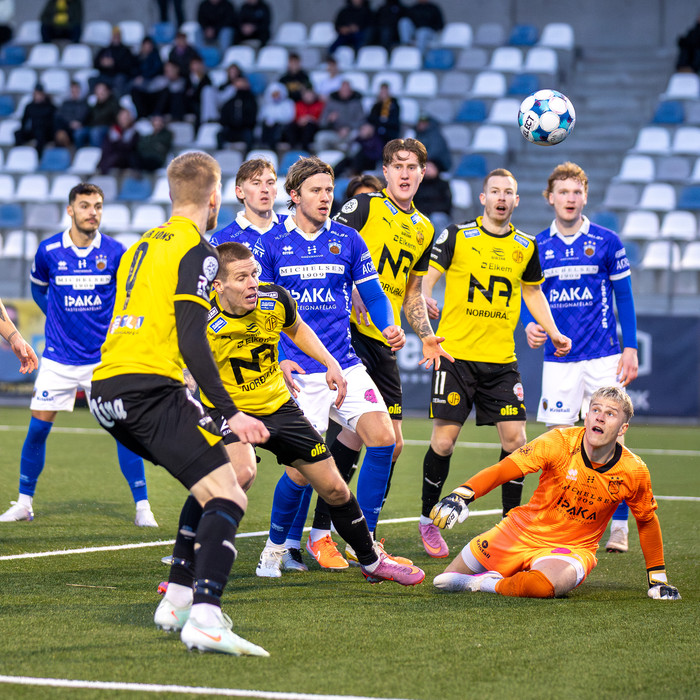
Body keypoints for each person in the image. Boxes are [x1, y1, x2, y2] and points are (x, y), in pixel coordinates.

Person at [91, 151, 270, 656]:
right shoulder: (199, 250)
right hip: (149, 390)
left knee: (218, 476)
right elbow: (192, 338)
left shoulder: (140, 245)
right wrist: (232, 411)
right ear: (215, 198)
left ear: (172, 194)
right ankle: (206, 619)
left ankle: (176, 599)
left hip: (105, 390)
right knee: (230, 496)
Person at [204, 241, 424, 587]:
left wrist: (329, 362)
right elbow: (186, 367)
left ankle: (371, 561)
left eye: (254, 274)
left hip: (279, 405)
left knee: (334, 488)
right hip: (230, 410)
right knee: (242, 473)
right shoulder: (200, 318)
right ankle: (193, 564)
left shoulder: (273, 298)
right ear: (217, 285)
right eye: (242, 278)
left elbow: (296, 328)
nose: (253, 284)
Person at [254, 156, 426, 573]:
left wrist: (389, 326)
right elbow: (257, 312)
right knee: (302, 473)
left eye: (329, 190)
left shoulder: (348, 239)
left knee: (384, 439)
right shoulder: (271, 243)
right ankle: (275, 549)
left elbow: (374, 294)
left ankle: (364, 543)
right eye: (315, 190)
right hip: (298, 372)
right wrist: (279, 360)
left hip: (344, 363)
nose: (325, 197)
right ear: (294, 196)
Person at [417, 168, 571, 560]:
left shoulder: (526, 245)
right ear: (483, 198)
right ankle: (427, 519)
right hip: (456, 356)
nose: (502, 198)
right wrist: (425, 298)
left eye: (509, 193)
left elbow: (532, 293)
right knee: (443, 442)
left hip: (502, 361)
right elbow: (426, 278)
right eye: (495, 191)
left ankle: (510, 526)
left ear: (516, 200)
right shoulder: (457, 235)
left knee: (516, 442)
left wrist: (553, 331)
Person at [0, 184, 157, 527]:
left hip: (103, 359)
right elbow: (39, 290)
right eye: (85, 205)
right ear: (70, 210)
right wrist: (56, 317)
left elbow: (127, 297)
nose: (92, 212)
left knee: (124, 430)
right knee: (37, 429)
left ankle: (143, 506)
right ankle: (24, 503)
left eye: (97, 206)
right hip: (58, 357)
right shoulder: (49, 251)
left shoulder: (115, 251)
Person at [431, 387, 681, 602]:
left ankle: (487, 583)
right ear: (586, 416)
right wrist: (462, 495)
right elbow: (505, 469)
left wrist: (658, 579)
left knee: (542, 587)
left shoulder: (634, 470)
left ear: (622, 428)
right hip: (519, 531)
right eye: (595, 410)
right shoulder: (559, 442)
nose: (600, 417)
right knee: (444, 580)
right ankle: (506, 576)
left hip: (570, 549)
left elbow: (647, 520)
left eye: (610, 413)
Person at [324, 138, 452, 552]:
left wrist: (426, 334)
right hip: (346, 333)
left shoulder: (425, 228)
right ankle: (333, 534)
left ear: (423, 173)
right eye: (398, 165)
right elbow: (324, 248)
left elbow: (412, 292)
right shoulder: (365, 206)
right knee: (356, 435)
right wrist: (352, 289)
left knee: (391, 445)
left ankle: (354, 534)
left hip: (384, 341)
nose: (405, 173)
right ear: (385, 171)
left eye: (413, 166)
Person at [521, 162, 639, 554]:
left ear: (585, 196)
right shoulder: (536, 245)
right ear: (550, 198)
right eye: (563, 192)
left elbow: (624, 297)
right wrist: (530, 325)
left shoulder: (607, 241)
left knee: (612, 442)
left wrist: (630, 346)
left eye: (576, 192)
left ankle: (618, 527)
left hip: (603, 357)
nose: (570, 199)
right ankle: (557, 525)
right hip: (559, 359)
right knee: (559, 445)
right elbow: (528, 296)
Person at [210, 157, 283, 247]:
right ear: (240, 192)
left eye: (270, 183)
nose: (265, 189)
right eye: (256, 183)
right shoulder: (222, 240)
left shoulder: (294, 227)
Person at [314, 79, 365, 152]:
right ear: (339, 90)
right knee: (320, 137)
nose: (345, 92)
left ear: (351, 91)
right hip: (334, 133)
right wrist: (329, 120)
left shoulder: (356, 103)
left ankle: (349, 157)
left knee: (357, 135)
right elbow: (322, 122)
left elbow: (362, 120)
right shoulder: (331, 102)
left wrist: (348, 128)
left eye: (347, 90)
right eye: (343, 90)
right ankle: (322, 158)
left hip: (350, 134)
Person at [73, 81, 120, 149]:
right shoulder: (92, 103)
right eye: (98, 90)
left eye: (103, 90)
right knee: (79, 133)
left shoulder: (113, 103)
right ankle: (80, 153)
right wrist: (89, 106)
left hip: (106, 127)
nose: (100, 93)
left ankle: (96, 153)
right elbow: (85, 117)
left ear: (108, 92)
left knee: (95, 132)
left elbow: (116, 118)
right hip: (91, 126)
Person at [215, 75, 258, 151]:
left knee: (249, 136)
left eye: (242, 83)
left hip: (244, 129)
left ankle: (247, 155)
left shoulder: (251, 101)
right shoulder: (231, 100)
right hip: (231, 129)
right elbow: (224, 117)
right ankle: (220, 154)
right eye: (238, 83)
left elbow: (252, 118)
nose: (240, 85)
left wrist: (241, 124)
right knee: (220, 135)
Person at [412, 159, 453, 235]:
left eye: (431, 167)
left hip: (438, 214)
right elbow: (414, 202)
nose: (428, 170)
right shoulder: (417, 185)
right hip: (421, 213)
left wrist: (430, 211)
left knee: (436, 219)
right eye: (426, 168)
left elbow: (447, 204)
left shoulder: (443, 184)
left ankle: (438, 242)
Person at [14, 84, 56, 157]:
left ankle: (38, 157)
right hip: (33, 130)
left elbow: (53, 122)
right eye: (36, 94)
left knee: (40, 134)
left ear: (43, 95)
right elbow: (24, 121)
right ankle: (19, 155)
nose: (37, 96)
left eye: (39, 94)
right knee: (18, 133)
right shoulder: (29, 107)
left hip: (46, 132)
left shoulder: (50, 107)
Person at [93, 26, 136, 97]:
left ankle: (117, 101)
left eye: (117, 35)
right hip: (106, 75)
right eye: (114, 35)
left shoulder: (125, 51)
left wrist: (113, 63)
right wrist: (102, 63)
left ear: (120, 37)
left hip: (119, 76)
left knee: (119, 80)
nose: (116, 37)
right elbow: (95, 64)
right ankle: (96, 100)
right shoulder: (105, 50)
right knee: (93, 80)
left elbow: (129, 67)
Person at [0, 297, 38, 375]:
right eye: (10, 322)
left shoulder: (23, 357)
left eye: (13, 322)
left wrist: (16, 339)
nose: (11, 325)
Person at [97, 107, 138, 175]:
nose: (124, 120)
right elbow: (107, 146)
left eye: (126, 118)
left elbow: (128, 148)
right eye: (122, 117)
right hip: (111, 157)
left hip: (125, 160)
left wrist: (117, 143)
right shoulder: (113, 131)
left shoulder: (133, 132)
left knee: (116, 157)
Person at [284, 87, 325, 152]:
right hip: (300, 126)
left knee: (309, 126)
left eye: (310, 95)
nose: (308, 97)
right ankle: (293, 147)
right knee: (290, 126)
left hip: (313, 127)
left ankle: (305, 149)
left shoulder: (320, 105)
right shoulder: (298, 104)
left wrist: (310, 119)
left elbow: (322, 120)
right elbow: (295, 118)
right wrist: (301, 121)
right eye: (306, 95)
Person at [258, 82, 295, 150]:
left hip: (284, 130)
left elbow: (290, 117)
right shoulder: (267, 105)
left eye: (277, 94)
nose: (276, 96)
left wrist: (275, 120)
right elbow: (261, 118)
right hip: (269, 129)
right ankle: (265, 146)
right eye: (274, 94)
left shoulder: (288, 103)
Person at [54, 81, 90, 148]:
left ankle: (78, 151)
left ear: (79, 90)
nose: (74, 92)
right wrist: (70, 123)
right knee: (60, 134)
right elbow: (60, 116)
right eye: (73, 90)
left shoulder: (84, 103)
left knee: (79, 133)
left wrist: (79, 123)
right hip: (67, 127)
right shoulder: (65, 104)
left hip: (81, 127)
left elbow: (86, 115)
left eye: (76, 90)